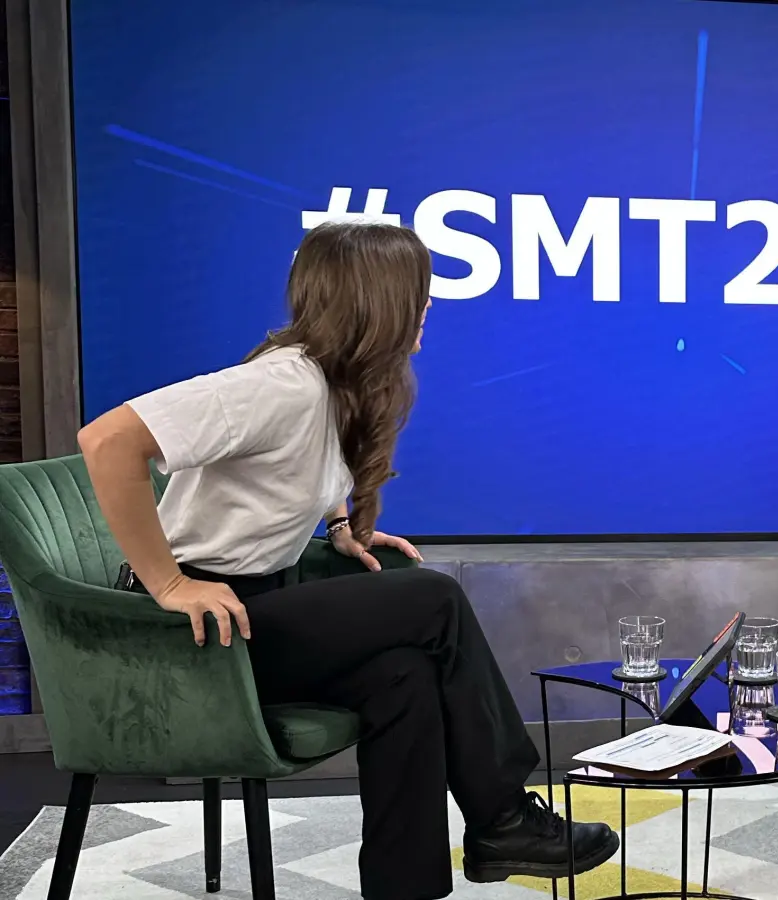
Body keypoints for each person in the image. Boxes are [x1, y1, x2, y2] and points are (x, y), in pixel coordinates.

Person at [77, 221, 619, 900]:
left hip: (252, 614)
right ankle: (503, 815)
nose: (428, 308)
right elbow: (107, 442)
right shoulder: (280, 383)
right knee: (434, 599)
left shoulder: (335, 385)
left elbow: (287, 470)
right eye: (419, 295)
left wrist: (340, 525)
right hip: (191, 637)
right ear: (381, 301)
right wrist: (168, 583)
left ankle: (408, 887)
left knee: (405, 677)